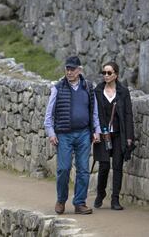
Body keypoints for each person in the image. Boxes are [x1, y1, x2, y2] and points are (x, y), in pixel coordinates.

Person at [44, 56, 101, 215]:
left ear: (79, 70)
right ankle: (61, 200)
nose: (69, 72)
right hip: (64, 135)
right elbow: (49, 114)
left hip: (84, 134)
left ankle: (79, 203)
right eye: (67, 69)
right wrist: (51, 133)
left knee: (83, 170)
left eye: (72, 69)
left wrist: (96, 131)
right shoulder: (57, 87)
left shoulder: (89, 87)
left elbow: (94, 112)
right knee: (63, 168)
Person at [93, 62, 134, 210]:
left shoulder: (123, 92)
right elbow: (93, 113)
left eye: (109, 73)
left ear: (116, 74)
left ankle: (115, 199)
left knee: (117, 166)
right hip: (103, 134)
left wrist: (129, 136)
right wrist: (95, 131)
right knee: (103, 166)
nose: (106, 75)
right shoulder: (97, 90)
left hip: (119, 134)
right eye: (103, 72)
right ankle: (100, 193)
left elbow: (128, 114)